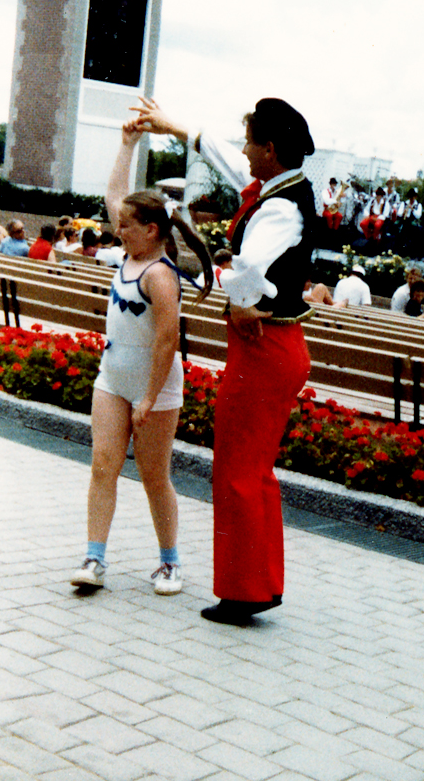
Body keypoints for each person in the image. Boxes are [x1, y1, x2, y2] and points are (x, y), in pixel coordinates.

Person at [133, 95, 315, 625]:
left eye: (251, 142)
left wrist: (242, 303)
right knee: (254, 471)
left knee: (237, 469)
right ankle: (258, 584)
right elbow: (227, 161)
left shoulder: (279, 206)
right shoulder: (280, 187)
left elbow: (249, 261)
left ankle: (243, 594)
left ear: (271, 149)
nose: (244, 151)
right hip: (277, 349)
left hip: (263, 350)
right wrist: (176, 128)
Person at [70, 118, 213, 596]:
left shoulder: (160, 275)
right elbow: (116, 194)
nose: (117, 230)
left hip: (157, 386)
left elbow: (168, 341)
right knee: (103, 466)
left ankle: (170, 563)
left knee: (154, 477)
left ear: (151, 231)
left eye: (127, 226)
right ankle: (94, 558)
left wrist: (150, 398)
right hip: (112, 379)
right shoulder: (130, 254)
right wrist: (127, 143)